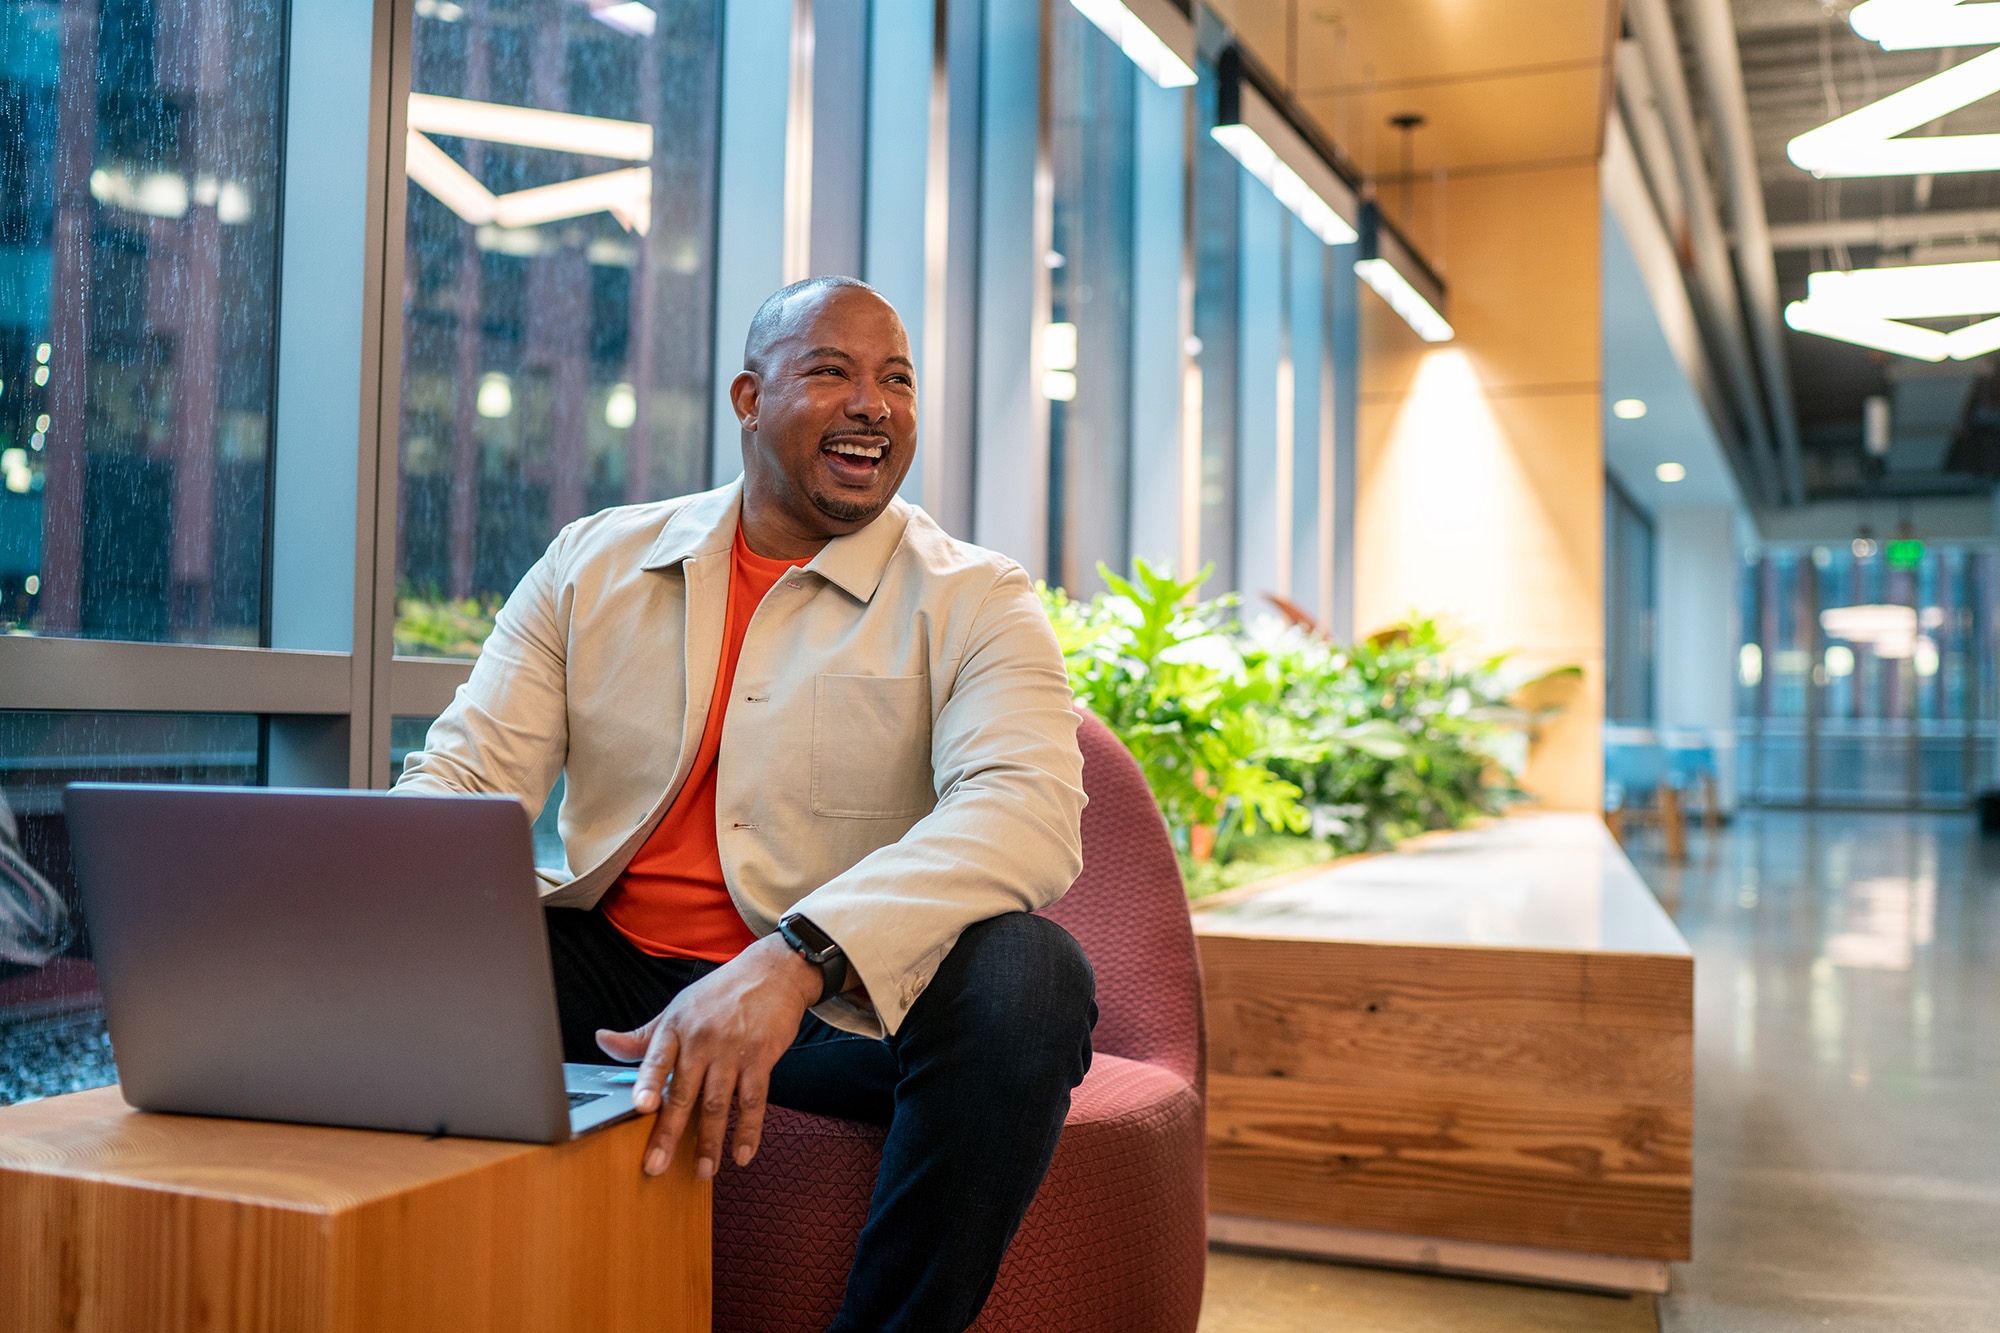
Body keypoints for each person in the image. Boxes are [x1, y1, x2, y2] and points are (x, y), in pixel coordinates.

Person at [395, 275, 1096, 1332]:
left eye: (896, 380)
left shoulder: (973, 595)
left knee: (1031, 977)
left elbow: (1026, 809)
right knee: (393, 948)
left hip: (836, 1008)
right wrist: (364, 896)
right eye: (831, 371)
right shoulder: (593, 562)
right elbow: (465, 776)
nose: (874, 404)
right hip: (613, 976)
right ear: (747, 398)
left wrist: (796, 959)